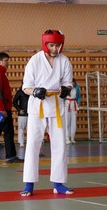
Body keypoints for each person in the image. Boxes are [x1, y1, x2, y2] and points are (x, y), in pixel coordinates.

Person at [20, 30, 74, 197]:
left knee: (60, 145)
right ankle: (29, 184)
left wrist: (66, 89)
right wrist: (35, 91)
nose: (55, 49)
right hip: (38, 106)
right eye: (51, 45)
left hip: (57, 105)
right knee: (33, 144)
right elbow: (26, 87)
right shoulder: (35, 60)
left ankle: (58, 183)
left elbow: (69, 83)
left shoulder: (64, 61)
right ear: (45, 44)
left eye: (57, 45)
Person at [64, 79, 80, 145]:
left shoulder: (77, 87)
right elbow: (62, 97)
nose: (72, 83)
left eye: (72, 82)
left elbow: (78, 97)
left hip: (74, 104)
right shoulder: (65, 87)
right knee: (67, 122)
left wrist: (78, 104)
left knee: (74, 122)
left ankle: (72, 138)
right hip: (67, 104)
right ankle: (67, 138)